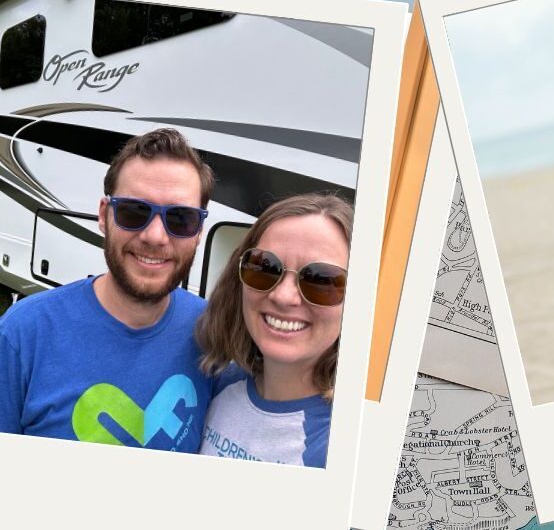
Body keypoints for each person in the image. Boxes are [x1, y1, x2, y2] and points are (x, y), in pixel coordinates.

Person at [0, 128, 218, 451]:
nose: (155, 237)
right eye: (134, 212)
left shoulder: (214, 333)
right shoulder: (22, 334)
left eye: (181, 219)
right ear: (104, 215)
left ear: (199, 231)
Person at [196, 193, 352, 467]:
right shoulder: (220, 381)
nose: (283, 296)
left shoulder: (338, 448)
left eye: (321, 280)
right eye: (265, 267)